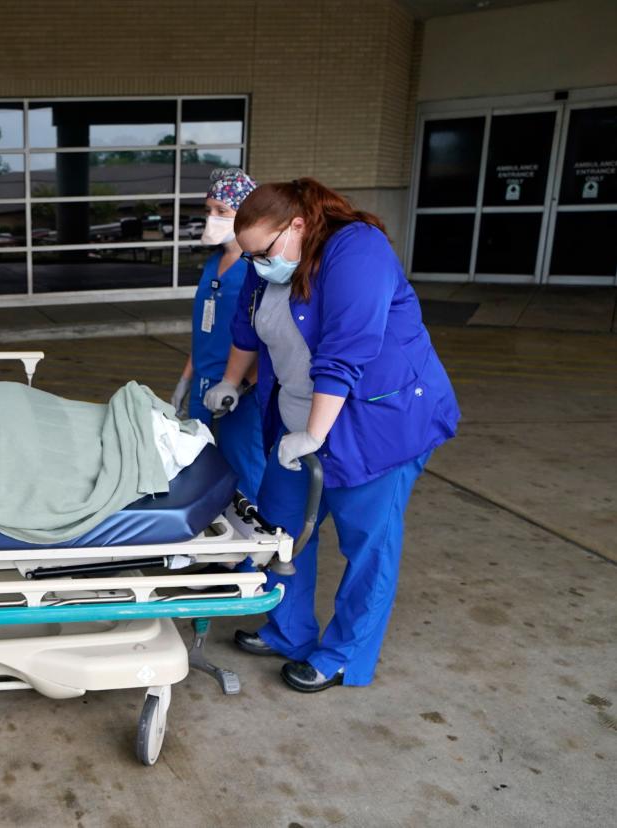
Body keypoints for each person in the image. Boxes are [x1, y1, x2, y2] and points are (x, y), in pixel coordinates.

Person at [203, 178, 459, 693]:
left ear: (296, 225)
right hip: (297, 417)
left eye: (264, 252)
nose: (257, 265)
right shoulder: (267, 260)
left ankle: (343, 653)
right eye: (250, 255)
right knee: (280, 531)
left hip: (375, 428)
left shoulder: (357, 249)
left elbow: (348, 347)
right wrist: (231, 383)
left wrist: (316, 432)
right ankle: (288, 631)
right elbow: (246, 330)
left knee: (367, 543)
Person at [170, 168, 266, 500]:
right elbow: (204, 330)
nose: (212, 218)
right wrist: (185, 380)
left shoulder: (258, 268)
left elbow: (264, 338)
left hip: (239, 392)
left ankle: (249, 553)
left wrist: (239, 385)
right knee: (198, 469)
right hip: (203, 384)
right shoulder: (213, 264)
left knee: (242, 475)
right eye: (208, 210)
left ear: (246, 215)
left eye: (221, 211)